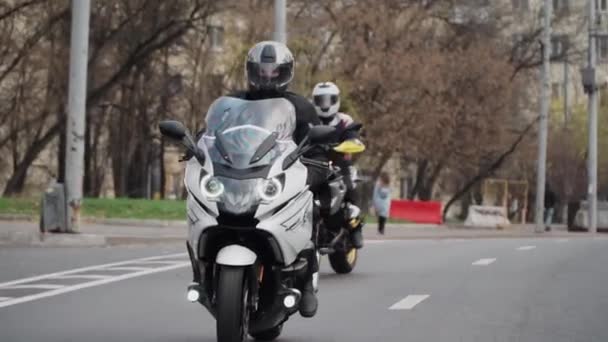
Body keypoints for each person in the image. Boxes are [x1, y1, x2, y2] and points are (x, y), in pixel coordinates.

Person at [227, 41, 326, 318]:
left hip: (281, 178)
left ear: (286, 73)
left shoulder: (300, 107)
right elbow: (211, 134)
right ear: (250, 71)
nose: (267, 77)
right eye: (261, 71)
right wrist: (197, 145)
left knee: (312, 206)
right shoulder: (235, 103)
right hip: (240, 175)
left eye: (274, 71)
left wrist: (314, 168)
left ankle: (307, 282)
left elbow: (316, 146)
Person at [311, 81, 364, 249]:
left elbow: (353, 135)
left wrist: (351, 142)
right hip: (313, 163)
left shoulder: (344, 120)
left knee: (348, 185)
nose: (325, 104)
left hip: (338, 163)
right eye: (321, 100)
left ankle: (355, 226)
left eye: (329, 100)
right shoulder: (309, 120)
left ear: (336, 100)